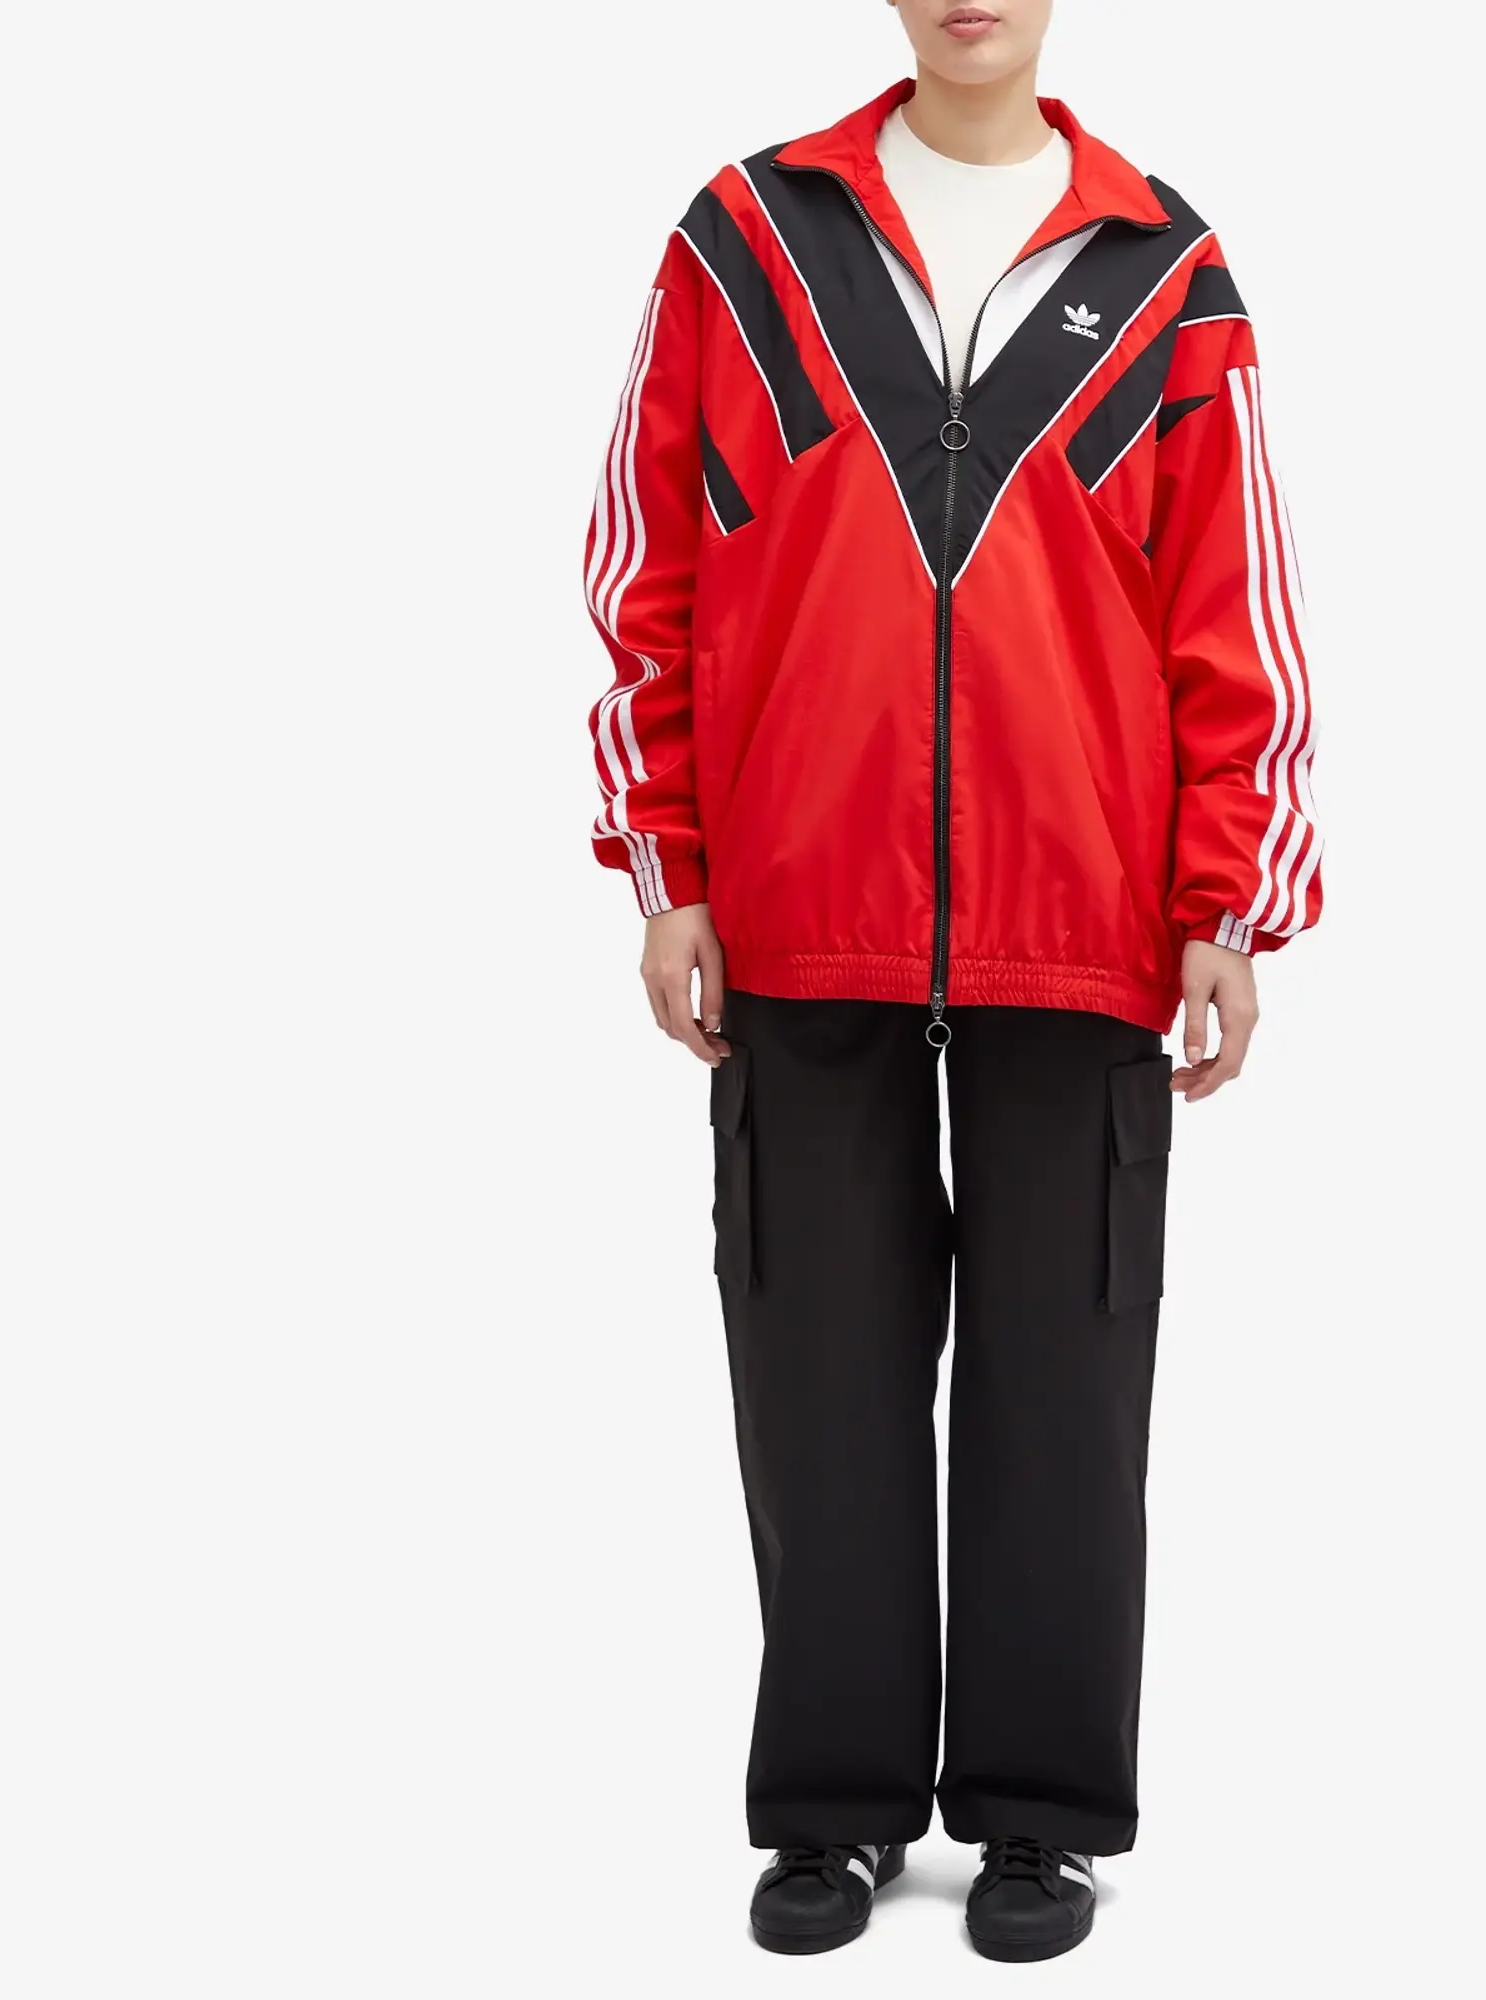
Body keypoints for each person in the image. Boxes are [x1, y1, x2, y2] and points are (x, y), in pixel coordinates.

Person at [583, 0, 1320, 1964]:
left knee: (1063, 1381)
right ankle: (831, 1810)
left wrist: (1226, 897)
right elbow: (647, 568)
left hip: (1082, 914)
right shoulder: (744, 241)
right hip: (799, 896)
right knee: (812, 1370)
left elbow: (1231, 602)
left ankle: (1038, 1815)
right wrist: (669, 863)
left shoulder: (1164, 268)